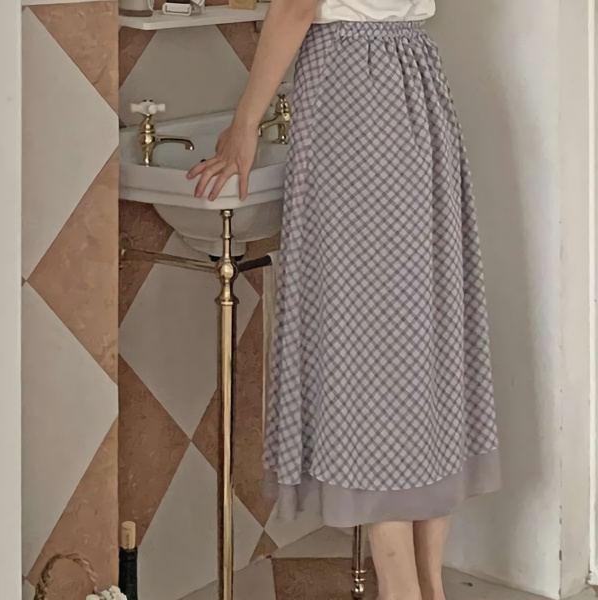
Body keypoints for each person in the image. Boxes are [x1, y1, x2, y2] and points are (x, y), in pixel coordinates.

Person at [187, 0, 501, 598]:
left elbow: (296, 5)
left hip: (353, 89)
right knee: (419, 329)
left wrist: (245, 121)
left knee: (368, 342)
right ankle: (427, 586)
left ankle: (401, 590)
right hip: (418, 79)